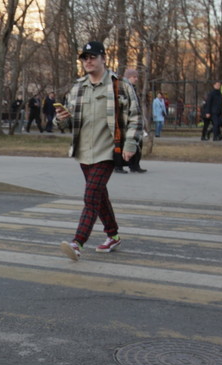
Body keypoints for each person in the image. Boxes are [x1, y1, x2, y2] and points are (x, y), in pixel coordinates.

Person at [54, 41, 141, 261]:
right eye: (84, 57)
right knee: (99, 196)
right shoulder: (78, 87)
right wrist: (60, 119)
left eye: (93, 56)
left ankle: (77, 242)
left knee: (91, 196)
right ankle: (113, 235)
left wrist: (131, 145)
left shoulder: (120, 85)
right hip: (84, 151)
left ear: (103, 58)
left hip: (108, 151)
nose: (88, 61)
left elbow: (135, 116)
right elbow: (68, 124)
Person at [114, 69, 146, 173]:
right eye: (134, 77)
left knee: (136, 142)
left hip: (132, 121)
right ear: (128, 77)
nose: (136, 79)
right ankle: (118, 166)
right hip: (123, 121)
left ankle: (134, 165)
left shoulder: (133, 88)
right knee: (120, 143)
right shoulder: (121, 86)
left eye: (137, 77)